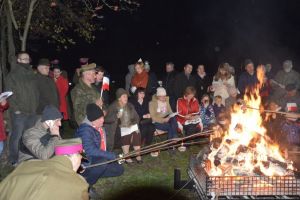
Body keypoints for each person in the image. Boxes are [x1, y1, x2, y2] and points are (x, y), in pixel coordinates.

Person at [0, 138, 89, 200]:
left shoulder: (27, 165)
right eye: (80, 158)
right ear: (74, 156)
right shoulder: (78, 184)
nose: (80, 161)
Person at [75, 103, 124, 194]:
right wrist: (110, 155)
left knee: (119, 170)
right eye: (99, 119)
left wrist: (113, 157)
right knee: (102, 162)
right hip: (86, 163)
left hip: (97, 158)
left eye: (102, 117)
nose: (103, 120)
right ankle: (86, 184)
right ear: (92, 120)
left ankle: (95, 173)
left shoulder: (99, 127)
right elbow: (90, 150)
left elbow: (103, 146)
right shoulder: (85, 130)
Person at [5, 51, 39, 164]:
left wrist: (36, 105)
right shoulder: (12, 75)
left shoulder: (31, 74)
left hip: (32, 111)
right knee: (17, 136)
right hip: (20, 112)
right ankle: (13, 159)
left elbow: (36, 92)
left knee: (28, 135)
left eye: (27, 59)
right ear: (18, 60)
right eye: (23, 59)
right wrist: (16, 109)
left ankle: (26, 157)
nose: (26, 61)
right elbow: (9, 94)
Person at [105, 88, 142, 163]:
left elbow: (136, 117)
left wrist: (135, 126)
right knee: (126, 134)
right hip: (117, 128)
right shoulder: (113, 106)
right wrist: (116, 117)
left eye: (126, 96)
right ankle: (127, 156)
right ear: (119, 98)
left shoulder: (130, 105)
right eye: (124, 96)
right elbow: (106, 119)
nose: (126, 98)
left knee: (136, 133)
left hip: (130, 126)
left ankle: (138, 155)